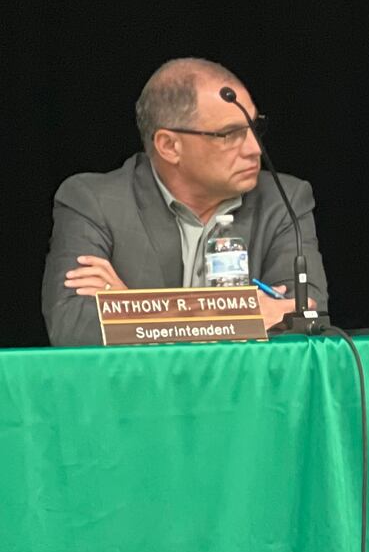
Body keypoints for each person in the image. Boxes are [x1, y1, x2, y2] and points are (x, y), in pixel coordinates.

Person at [42, 58, 328, 346]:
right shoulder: (94, 202)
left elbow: (305, 318)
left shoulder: (284, 200)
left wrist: (131, 308)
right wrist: (235, 317)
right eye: (230, 134)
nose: (255, 149)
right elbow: (73, 326)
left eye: (254, 127)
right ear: (169, 146)